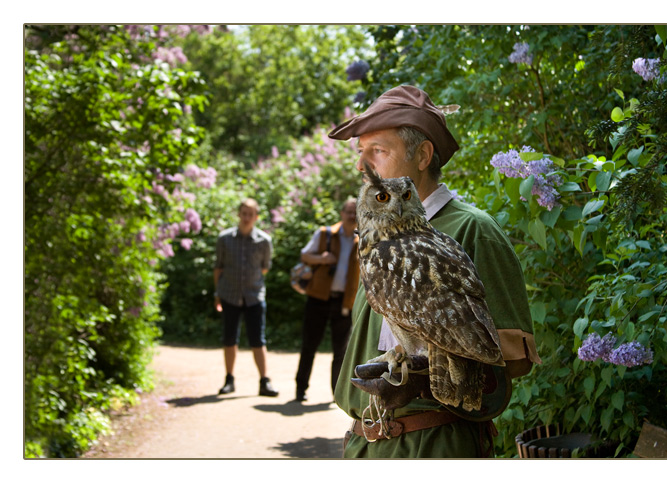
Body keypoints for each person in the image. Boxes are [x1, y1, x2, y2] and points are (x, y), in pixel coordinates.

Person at [327, 85, 541, 458]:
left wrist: (421, 381)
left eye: (378, 150)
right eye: (361, 153)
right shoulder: (378, 234)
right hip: (365, 444)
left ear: (423, 154)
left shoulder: (472, 229)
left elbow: (513, 360)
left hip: (432, 444)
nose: (363, 165)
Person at [294, 198, 360, 402]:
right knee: (309, 346)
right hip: (318, 298)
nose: (352, 216)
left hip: (344, 302)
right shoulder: (325, 234)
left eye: (355, 212)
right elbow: (305, 255)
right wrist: (322, 259)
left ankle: (336, 394)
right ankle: (300, 389)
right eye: (349, 211)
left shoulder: (363, 239)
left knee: (340, 352)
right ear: (341, 213)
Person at [214, 198, 278, 397]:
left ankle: (264, 381)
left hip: (254, 296)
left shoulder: (264, 241)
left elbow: (265, 268)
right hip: (229, 295)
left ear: (256, 217)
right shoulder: (224, 239)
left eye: (251, 214)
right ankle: (229, 379)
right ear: (239, 214)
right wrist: (217, 294)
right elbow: (218, 267)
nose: (247, 217)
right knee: (229, 338)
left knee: (258, 339)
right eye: (244, 213)